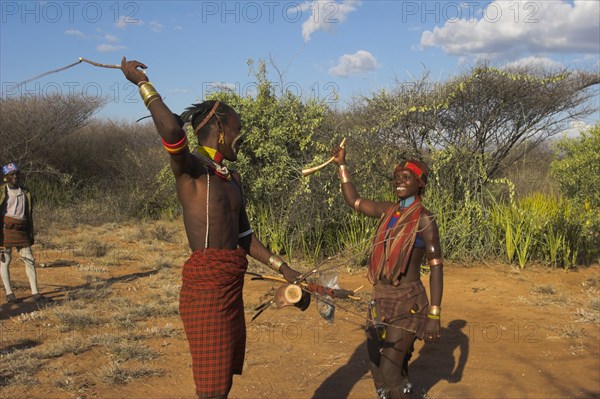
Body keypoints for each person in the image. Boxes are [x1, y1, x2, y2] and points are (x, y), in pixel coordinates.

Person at [120, 58, 306, 399]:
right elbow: (174, 133)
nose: (240, 139)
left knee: (223, 380)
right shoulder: (191, 171)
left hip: (230, 290)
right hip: (206, 291)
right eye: (237, 131)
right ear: (220, 131)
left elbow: (245, 237)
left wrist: (286, 269)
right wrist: (143, 85)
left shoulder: (231, 178)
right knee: (212, 389)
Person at [332, 145, 444, 399]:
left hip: (408, 302)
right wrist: (341, 166)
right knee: (376, 367)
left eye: (407, 178)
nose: (399, 182)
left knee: (390, 371)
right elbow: (354, 201)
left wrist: (434, 315)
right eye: (396, 177)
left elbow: (437, 267)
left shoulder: (424, 220)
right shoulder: (388, 211)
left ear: (420, 183)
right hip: (380, 298)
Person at [1, 162, 46, 304]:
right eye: (11, 174)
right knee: (5, 261)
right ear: (5, 177)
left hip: (21, 230)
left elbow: (28, 213)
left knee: (29, 260)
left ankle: (35, 293)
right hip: (5, 230)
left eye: (17, 174)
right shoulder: (2, 191)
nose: (15, 176)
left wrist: (29, 231)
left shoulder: (25, 192)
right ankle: (9, 294)